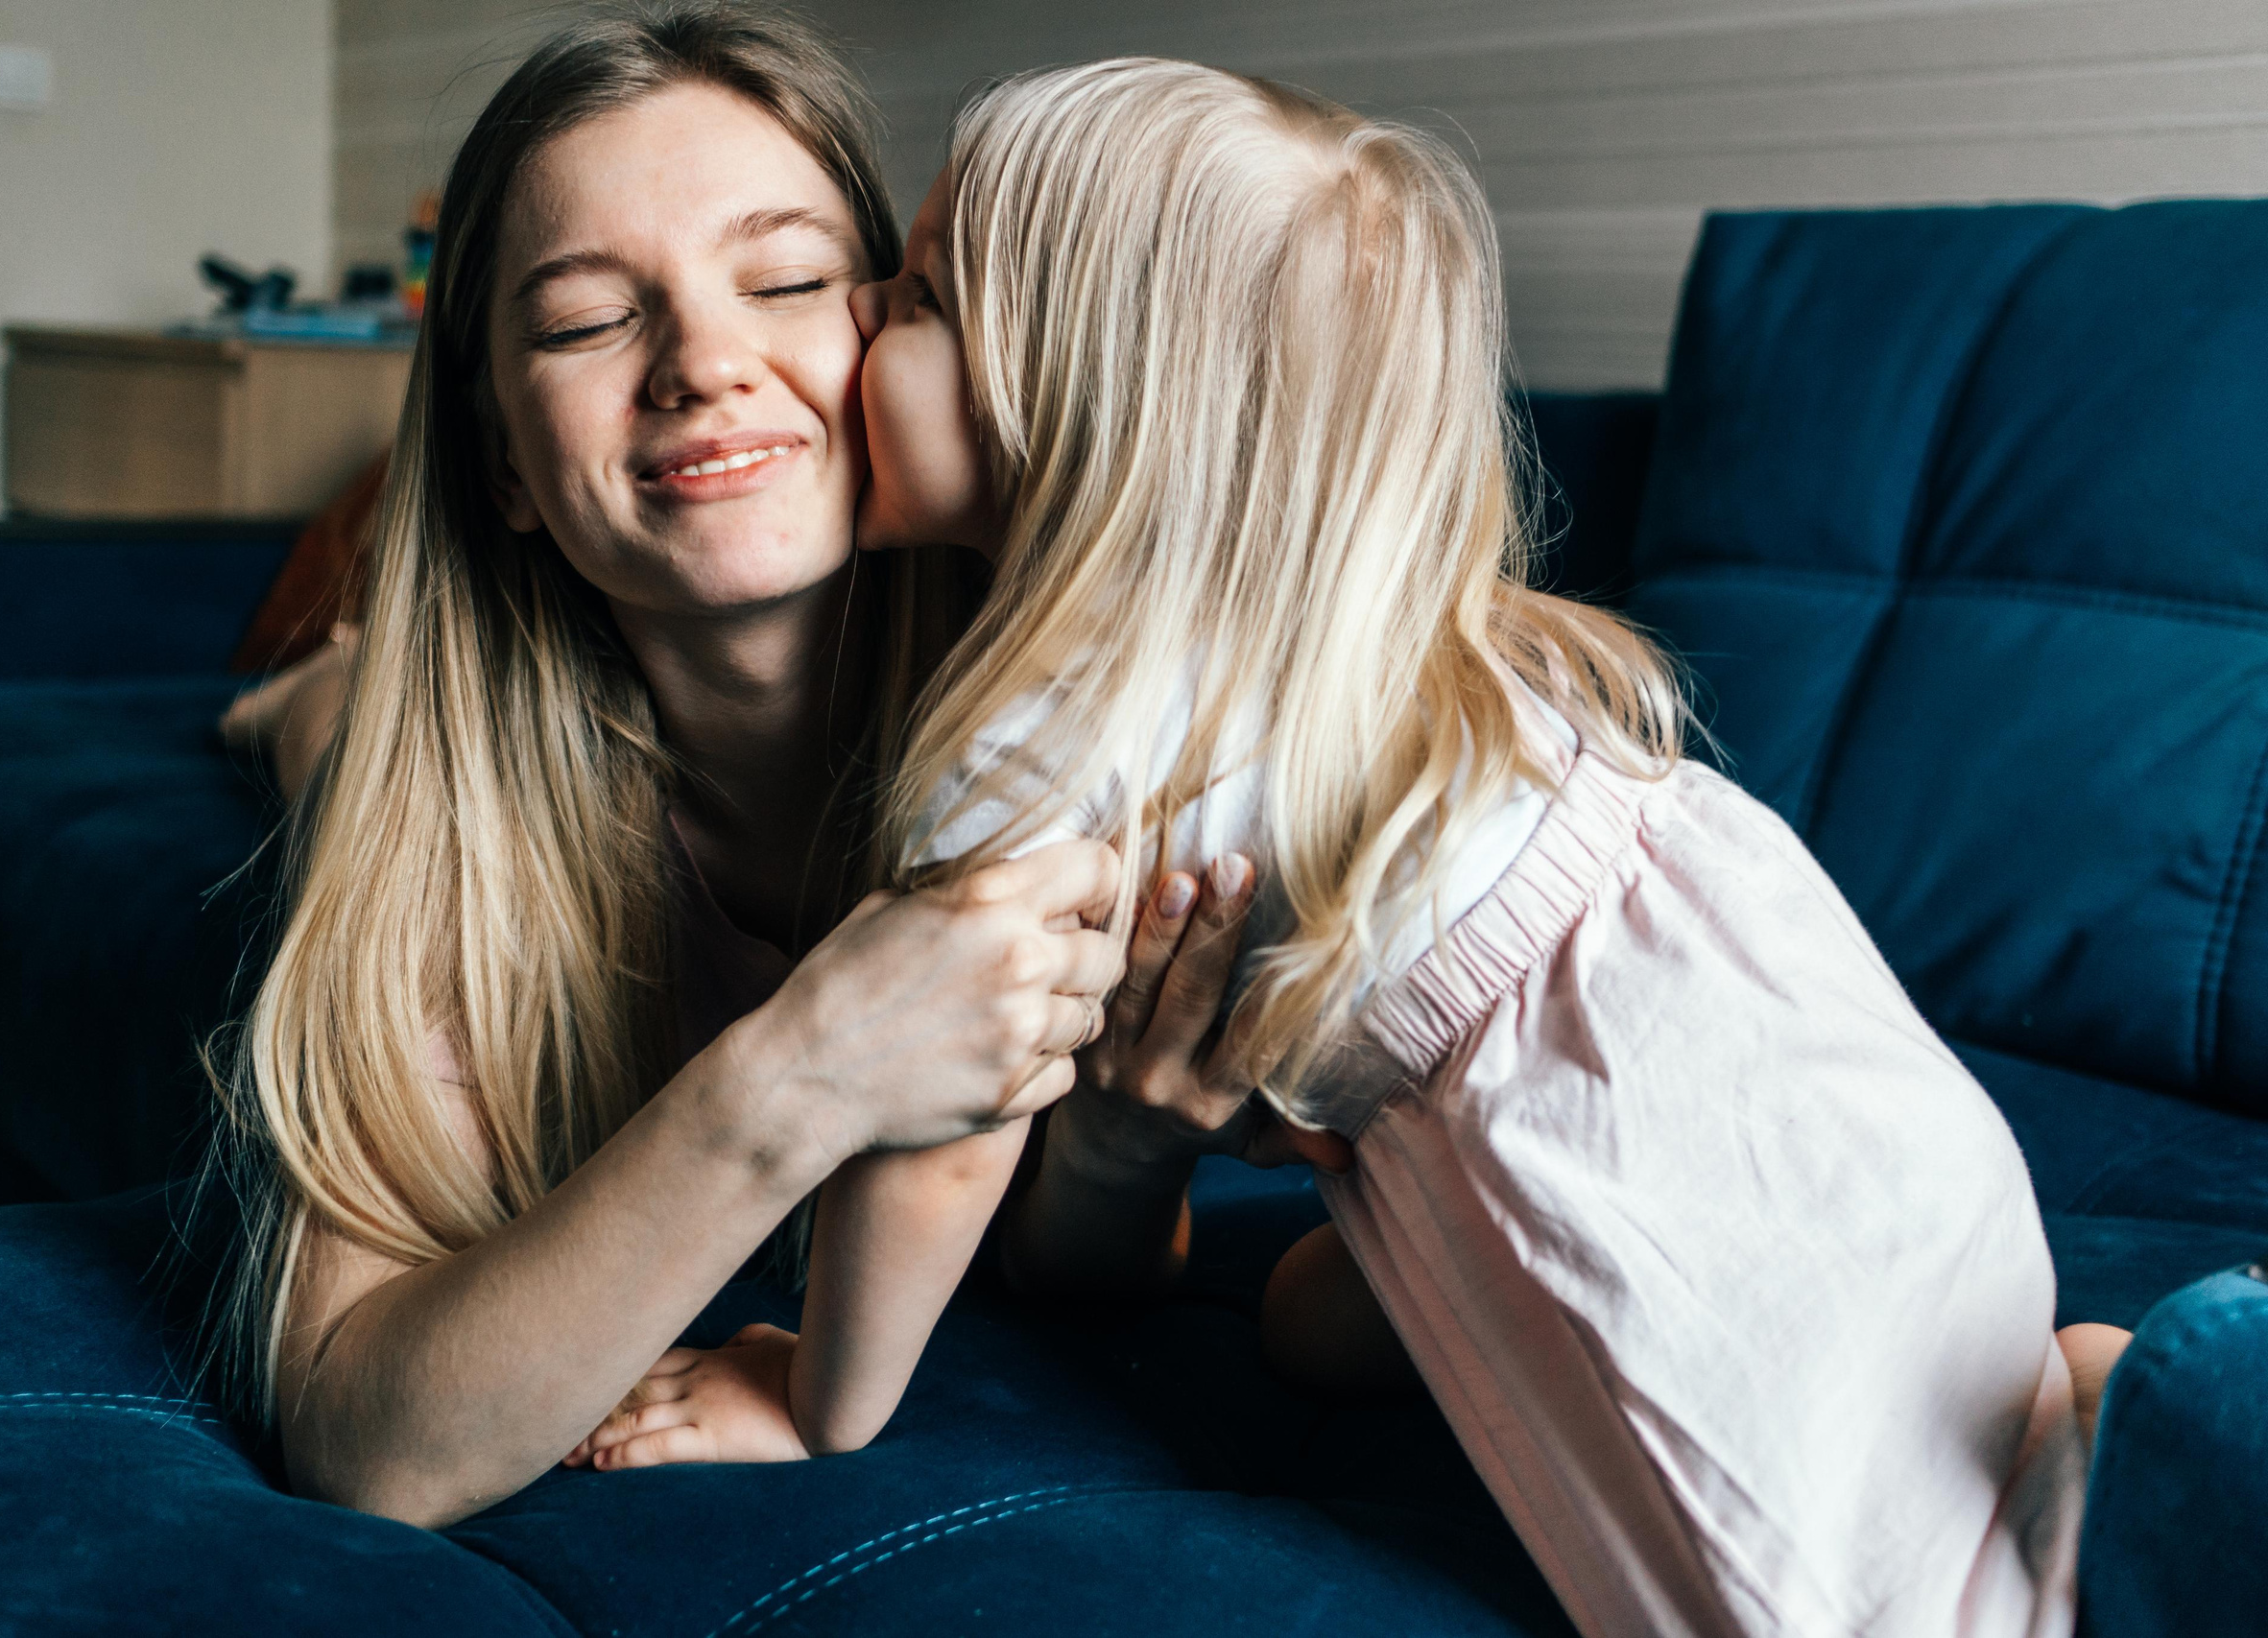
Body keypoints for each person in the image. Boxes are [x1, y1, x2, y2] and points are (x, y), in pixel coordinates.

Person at [577, 57, 2118, 1638]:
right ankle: (2079, 1416)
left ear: (1079, 393)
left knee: (1809, 1595)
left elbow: (946, 1130)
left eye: (914, 298)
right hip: (1760, 1002)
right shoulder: (1354, 617)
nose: (853, 337)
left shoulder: (1031, 735)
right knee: (1349, 1328)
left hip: (1587, 1115)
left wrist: (821, 1400)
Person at [203, 10, 1277, 1532]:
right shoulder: (458, 806)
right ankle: (307, 689)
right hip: (405, 717)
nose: (705, 362)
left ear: (909, 328)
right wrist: (800, 1074)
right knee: (330, 738)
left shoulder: (1102, 717)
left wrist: (1125, 1150)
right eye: (583, 323)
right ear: (505, 460)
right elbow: (376, 1446)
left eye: (784, 282)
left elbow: (1077, 1263)